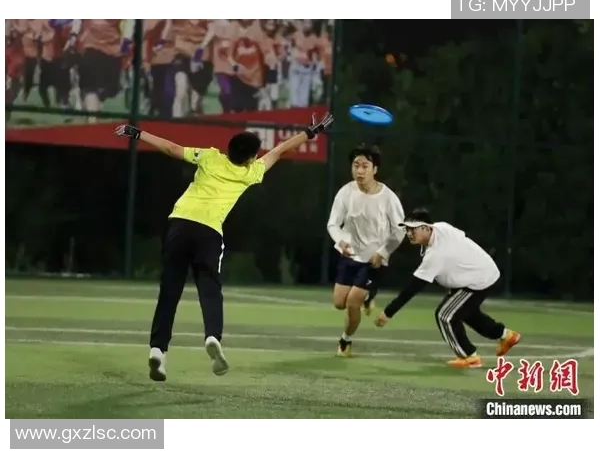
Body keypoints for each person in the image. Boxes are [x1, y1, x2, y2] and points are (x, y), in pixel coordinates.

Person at [114, 111, 334, 381]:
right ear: (251, 158)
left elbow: (171, 148)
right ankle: (212, 337)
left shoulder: (209, 157)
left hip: (179, 225)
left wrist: (137, 133)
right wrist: (310, 133)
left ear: (228, 148)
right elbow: (278, 151)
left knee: (169, 290)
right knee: (210, 289)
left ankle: (158, 351)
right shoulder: (250, 173)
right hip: (208, 233)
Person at [374, 208, 521, 368]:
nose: (409, 233)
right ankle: (506, 335)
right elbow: (462, 236)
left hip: (478, 279)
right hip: (483, 272)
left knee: (445, 315)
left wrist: (388, 312)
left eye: (413, 229)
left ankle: (470, 357)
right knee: (466, 312)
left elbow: (413, 288)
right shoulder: (441, 227)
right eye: (407, 229)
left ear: (426, 228)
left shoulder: (435, 255)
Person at [326, 143, 406, 357]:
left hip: (373, 260)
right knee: (339, 303)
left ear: (375, 169)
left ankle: (345, 340)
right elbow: (333, 224)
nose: (359, 171)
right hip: (350, 256)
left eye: (365, 166)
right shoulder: (346, 192)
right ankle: (368, 298)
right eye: (356, 165)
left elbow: (399, 230)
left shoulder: (388, 198)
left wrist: (383, 252)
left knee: (353, 302)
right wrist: (340, 241)